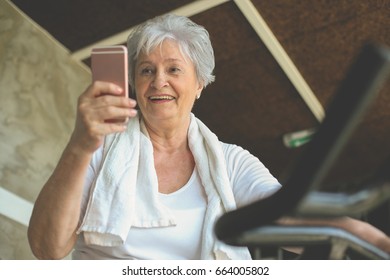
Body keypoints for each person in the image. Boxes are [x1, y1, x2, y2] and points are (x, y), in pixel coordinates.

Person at [27, 14, 390, 260]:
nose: (158, 81)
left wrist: (365, 235)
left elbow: (284, 215)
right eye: (146, 70)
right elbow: (47, 248)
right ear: (134, 84)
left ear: (199, 84)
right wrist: (80, 144)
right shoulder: (99, 148)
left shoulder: (231, 162)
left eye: (173, 69)